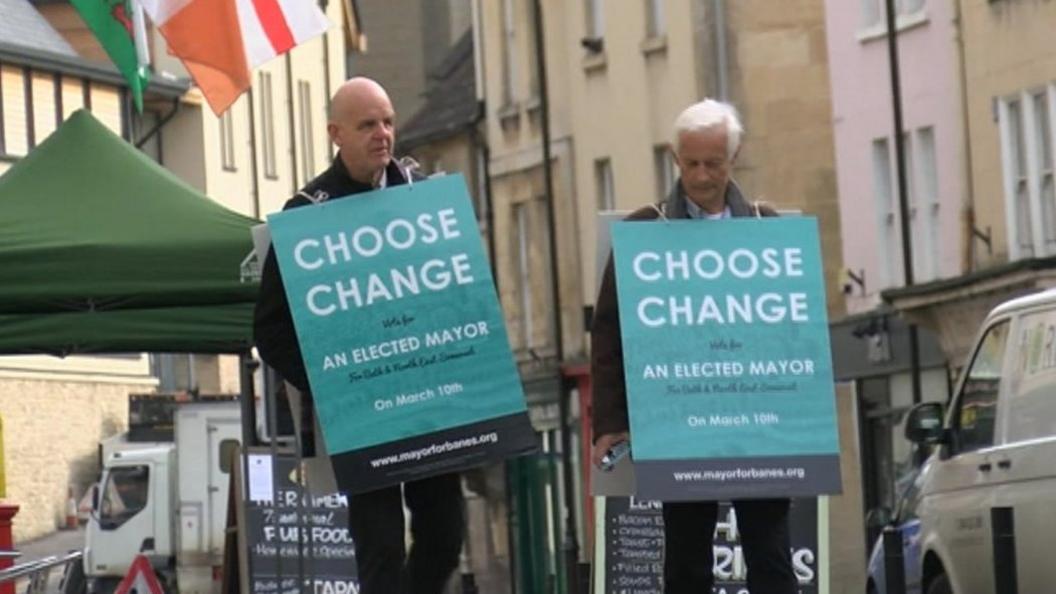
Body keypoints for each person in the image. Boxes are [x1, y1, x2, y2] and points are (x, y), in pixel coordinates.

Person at [253, 77, 463, 594]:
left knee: (446, 535)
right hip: (361, 412)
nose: (383, 134)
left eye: (388, 121)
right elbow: (270, 328)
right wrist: (331, 382)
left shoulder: (425, 200)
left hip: (430, 402)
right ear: (336, 134)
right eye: (368, 124)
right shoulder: (308, 213)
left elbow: (462, 294)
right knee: (381, 548)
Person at [590, 99, 798, 594]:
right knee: (686, 561)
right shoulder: (644, 233)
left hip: (758, 423)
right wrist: (611, 423)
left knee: (771, 556)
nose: (701, 176)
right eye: (691, 163)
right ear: (675, 158)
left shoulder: (769, 229)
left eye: (714, 163)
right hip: (679, 421)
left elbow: (795, 330)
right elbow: (609, 332)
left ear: (735, 156)